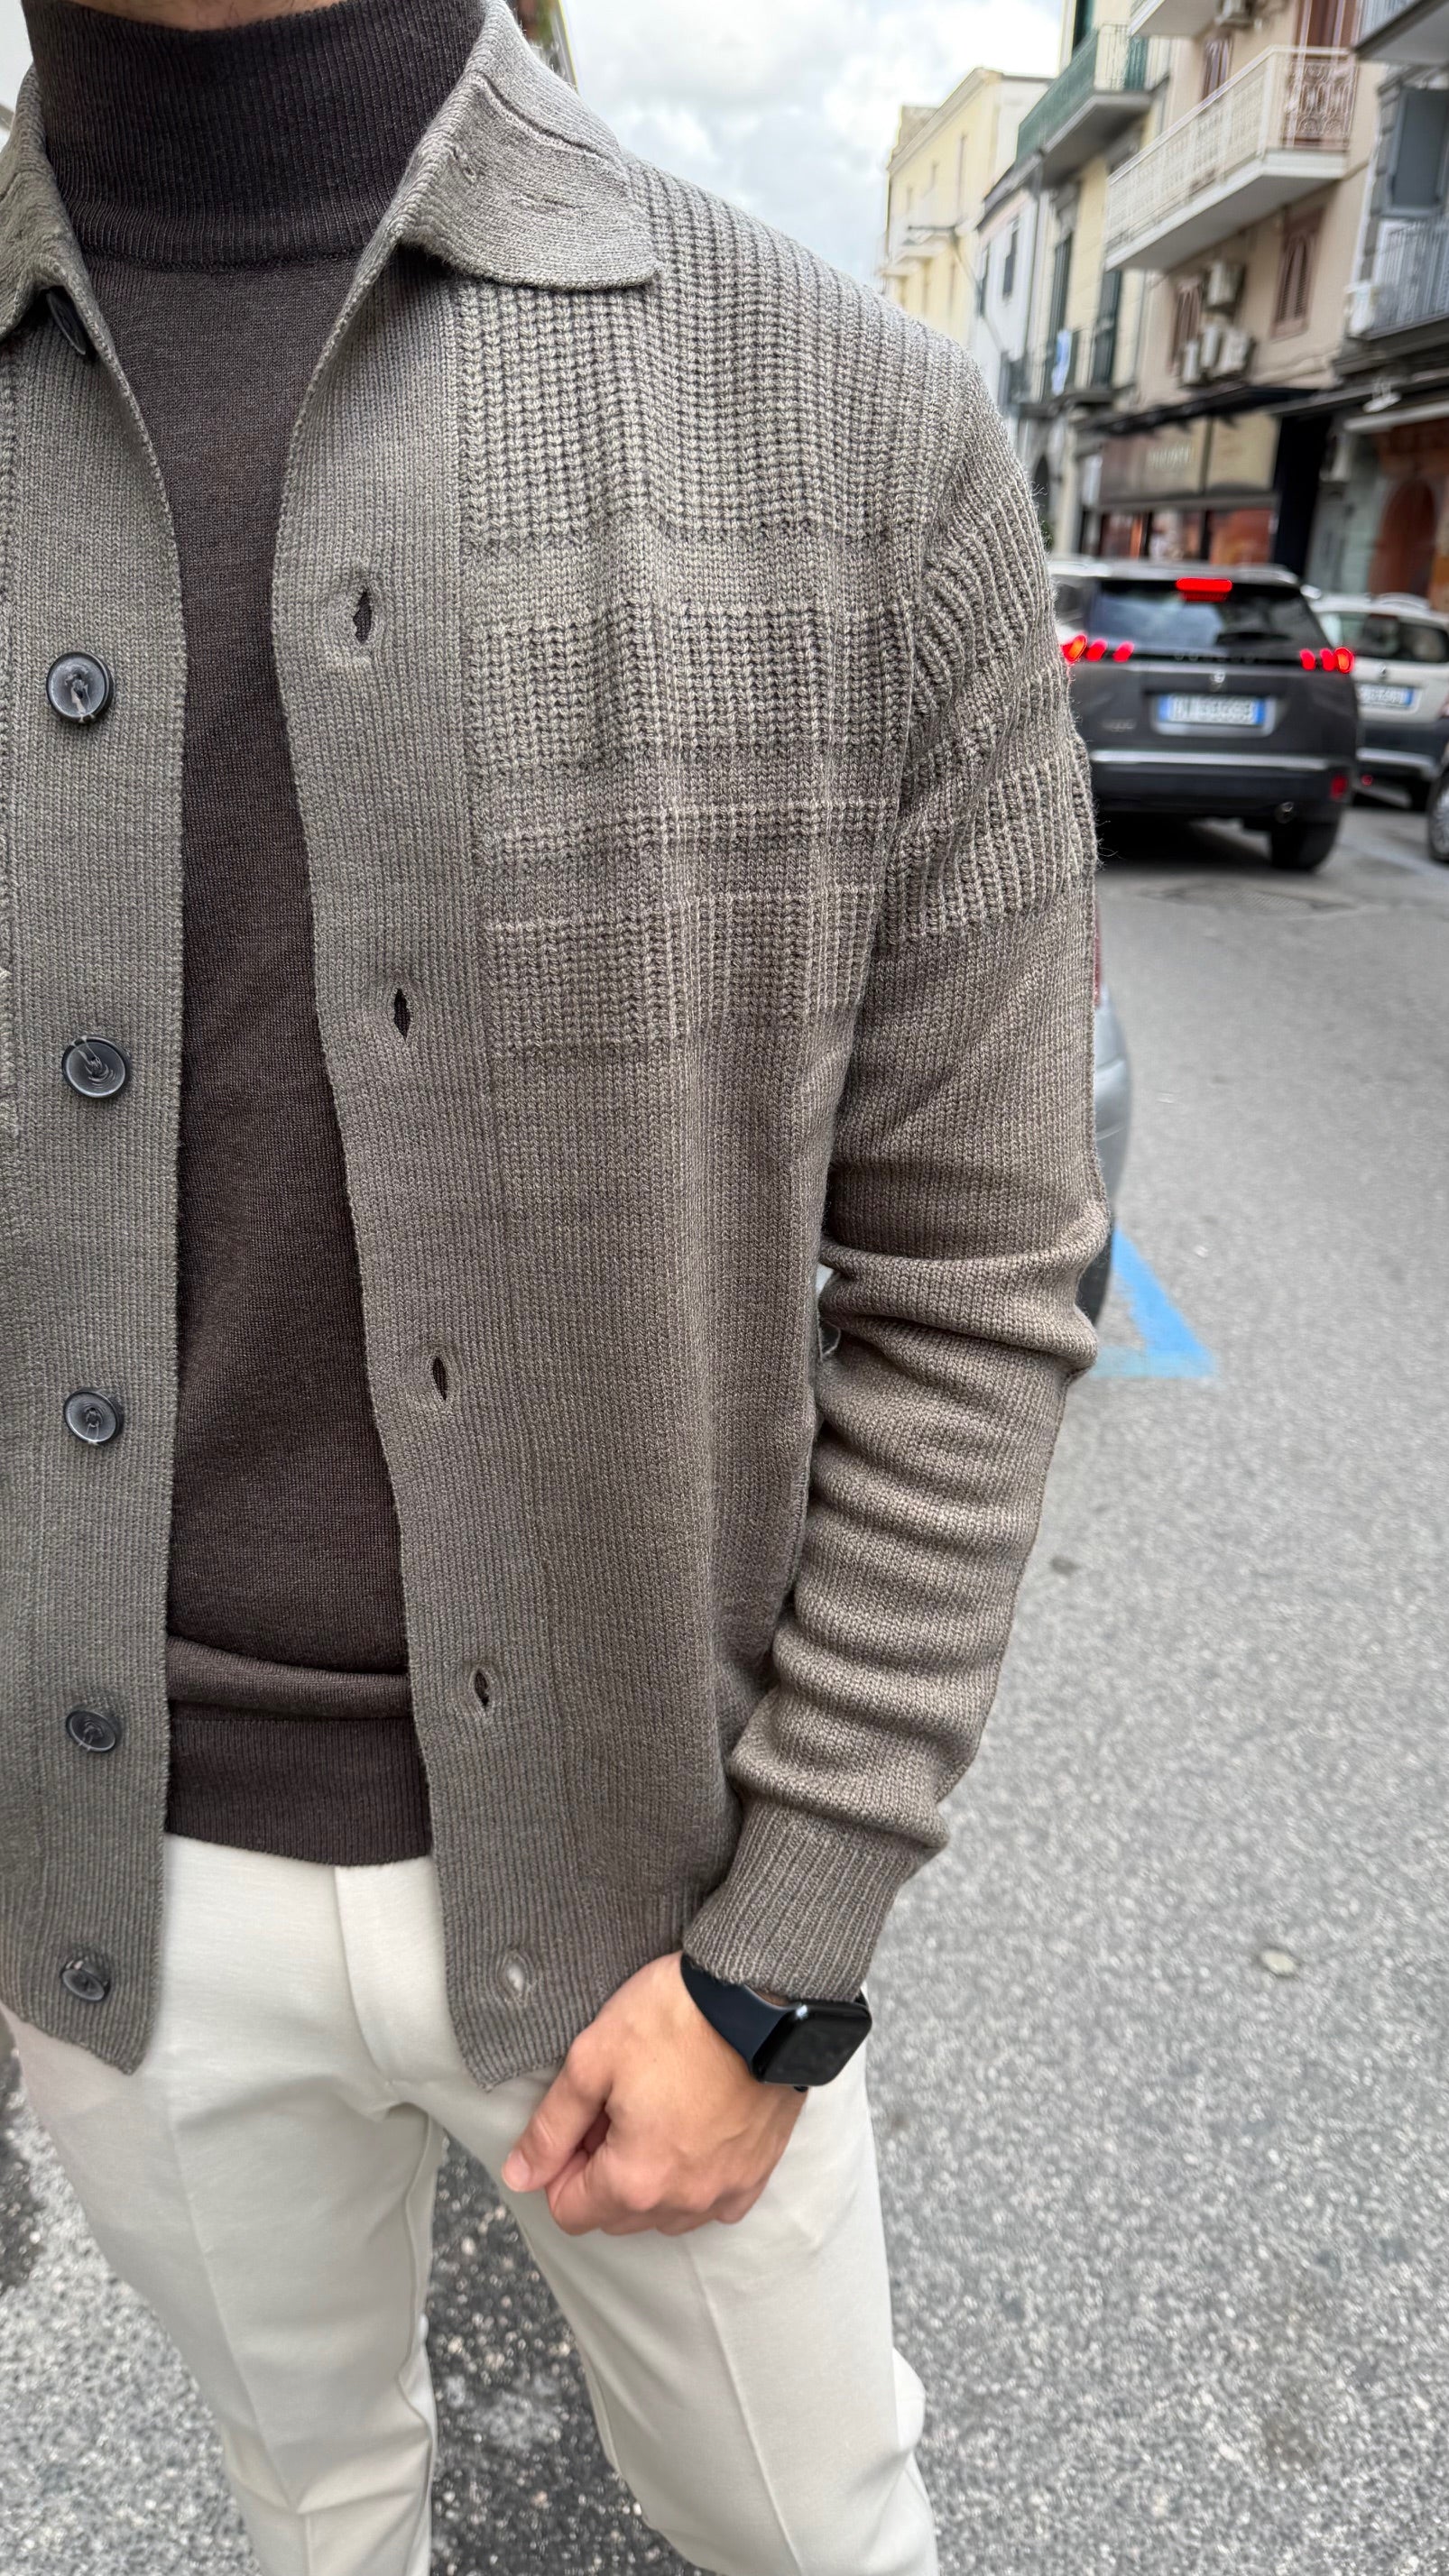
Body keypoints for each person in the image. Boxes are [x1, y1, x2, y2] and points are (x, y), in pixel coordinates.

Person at [0, 0, 1107, 2568]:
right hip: (112, 1888)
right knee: (311, 2509)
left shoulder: (850, 430)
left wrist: (785, 1948)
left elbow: (973, 1262)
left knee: (812, 2534)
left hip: (657, 1892)